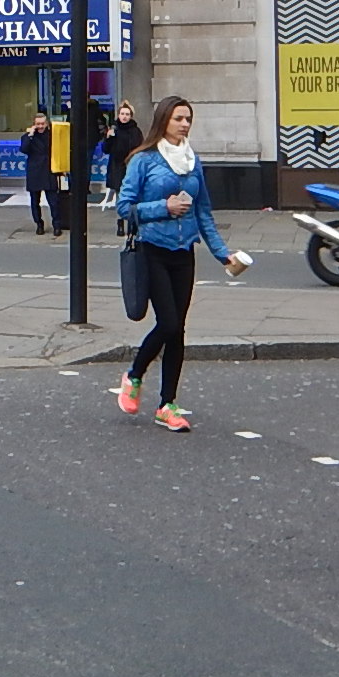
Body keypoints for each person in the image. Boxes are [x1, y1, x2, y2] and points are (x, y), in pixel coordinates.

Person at [112, 96, 234, 432]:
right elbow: (124, 207)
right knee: (167, 323)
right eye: (179, 118)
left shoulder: (193, 162)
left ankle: (167, 404)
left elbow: (203, 211)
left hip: (184, 252)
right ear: (163, 120)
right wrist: (163, 208)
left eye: (188, 119)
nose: (184, 124)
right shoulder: (144, 160)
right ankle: (134, 374)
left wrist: (223, 253)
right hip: (153, 248)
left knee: (177, 328)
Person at [20, 111, 66, 236]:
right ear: (34, 124)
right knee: (35, 202)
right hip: (34, 172)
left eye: (42, 124)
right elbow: (24, 149)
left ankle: (57, 225)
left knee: (54, 202)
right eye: (38, 124)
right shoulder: (28, 136)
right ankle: (39, 224)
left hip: (49, 171)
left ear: (47, 124)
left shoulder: (52, 135)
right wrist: (30, 134)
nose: (40, 126)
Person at [100, 102, 142, 212]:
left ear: (131, 116)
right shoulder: (114, 129)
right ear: (118, 115)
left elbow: (139, 149)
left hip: (130, 166)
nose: (124, 116)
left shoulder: (135, 131)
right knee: (119, 192)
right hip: (116, 166)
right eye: (122, 114)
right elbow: (105, 149)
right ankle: (121, 218)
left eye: (127, 114)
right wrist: (108, 138)